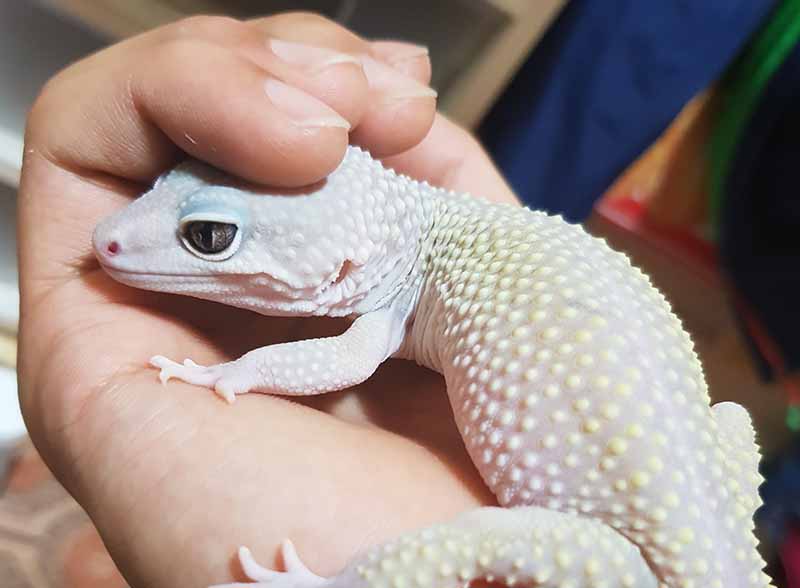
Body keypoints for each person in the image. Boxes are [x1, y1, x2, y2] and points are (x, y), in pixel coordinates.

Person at [16, 12, 517, 587]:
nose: (110, 235)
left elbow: (346, 360)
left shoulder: (394, 299)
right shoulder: (449, 242)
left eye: (208, 238)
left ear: (345, 264)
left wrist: (229, 374)